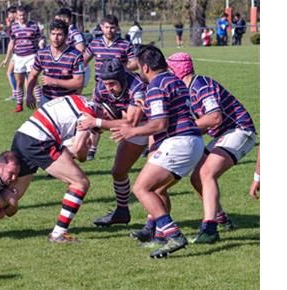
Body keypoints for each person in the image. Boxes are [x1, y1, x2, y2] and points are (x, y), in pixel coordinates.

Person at [110, 45, 204, 258]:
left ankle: (173, 235)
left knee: (141, 188)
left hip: (179, 142)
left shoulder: (156, 85)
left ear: (145, 67)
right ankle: (160, 235)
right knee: (158, 189)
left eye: (138, 67)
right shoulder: (175, 81)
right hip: (193, 142)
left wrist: (131, 130)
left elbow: (160, 124)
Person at [167, 52, 256, 243]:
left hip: (240, 131)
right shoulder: (186, 89)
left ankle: (209, 229)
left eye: (169, 68)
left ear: (178, 69)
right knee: (196, 178)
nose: (167, 72)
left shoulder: (201, 85)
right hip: (224, 134)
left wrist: (183, 129)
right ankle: (220, 217)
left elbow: (215, 118)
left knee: (206, 173)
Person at [7, 95, 119, 243]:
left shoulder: (82, 100)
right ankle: (58, 233)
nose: (101, 130)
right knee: (80, 183)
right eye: (104, 125)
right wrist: (85, 149)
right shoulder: (89, 114)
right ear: (104, 113)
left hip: (24, 134)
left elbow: (67, 146)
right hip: (39, 140)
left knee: (11, 197)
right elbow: (79, 150)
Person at [77, 59, 147, 227]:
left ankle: (156, 225)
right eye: (105, 83)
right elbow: (92, 110)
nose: (108, 88)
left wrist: (99, 123)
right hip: (134, 127)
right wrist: (85, 134)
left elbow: (132, 122)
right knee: (118, 171)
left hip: (154, 126)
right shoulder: (101, 87)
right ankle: (122, 212)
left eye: (112, 84)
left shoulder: (137, 86)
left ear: (122, 79)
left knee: (152, 184)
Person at [83, 15, 137, 161]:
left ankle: (133, 145)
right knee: (97, 115)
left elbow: (135, 63)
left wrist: (120, 69)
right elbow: (84, 60)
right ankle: (92, 150)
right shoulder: (94, 44)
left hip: (123, 89)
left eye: (112, 27)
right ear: (101, 27)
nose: (109, 30)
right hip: (101, 89)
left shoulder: (125, 44)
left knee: (128, 117)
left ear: (117, 28)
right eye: (107, 27)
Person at [25, 20, 85, 108]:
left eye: (59, 34)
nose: (55, 38)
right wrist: (29, 94)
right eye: (53, 34)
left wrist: (55, 82)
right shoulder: (42, 53)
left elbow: (79, 83)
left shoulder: (75, 56)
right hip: (46, 100)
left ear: (66, 36)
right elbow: (33, 75)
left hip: (68, 101)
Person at [0, 6, 41, 113]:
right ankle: (19, 105)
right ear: (17, 16)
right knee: (19, 83)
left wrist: (42, 54)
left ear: (27, 14)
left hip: (31, 56)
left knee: (33, 81)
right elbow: (12, 43)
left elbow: (39, 41)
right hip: (18, 57)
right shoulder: (13, 27)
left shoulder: (34, 26)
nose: (22, 17)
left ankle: (40, 104)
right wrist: (6, 59)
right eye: (19, 15)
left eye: (23, 15)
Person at [54, 8, 89, 94]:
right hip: (66, 68)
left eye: (59, 19)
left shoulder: (75, 34)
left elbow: (81, 51)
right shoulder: (64, 33)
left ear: (66, 19)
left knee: (74, 97)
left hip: (75, 70)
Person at [4, 6, 17, 101]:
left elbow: (11, 43)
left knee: (10, 73)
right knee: (11, 73)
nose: (8, 16)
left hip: (19, 53)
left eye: (9, 14)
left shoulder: (14, 26)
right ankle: (16, 93)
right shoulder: (15, 25)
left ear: (14, 13)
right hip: (18, 53)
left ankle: (17, 93)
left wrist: (6, 59)